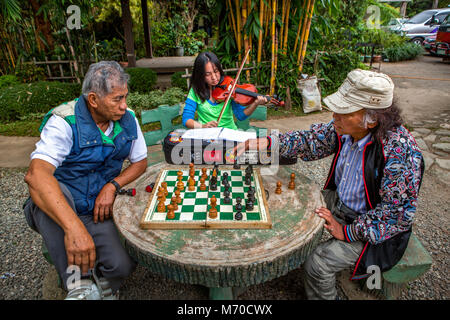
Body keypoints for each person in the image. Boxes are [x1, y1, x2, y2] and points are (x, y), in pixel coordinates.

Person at [234, 69, 424, 300]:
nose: (335, 115)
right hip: (341, 202)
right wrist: (267, 141)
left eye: (344, 111)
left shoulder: (400, 152)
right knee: (282, 204)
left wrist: (347, 231)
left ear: (372, 119)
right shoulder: (347, 128)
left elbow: (396, 216)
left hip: (373, 228)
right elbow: (310, 141)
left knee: (318, 264)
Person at [23, 61, 148, 300]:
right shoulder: (64, 121)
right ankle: (78, 286)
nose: (124, 106)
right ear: (93, 99)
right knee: (50, 188)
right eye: (117, 99)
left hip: (95, 209)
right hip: (58, 209)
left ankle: (98, 286)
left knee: (122, 266)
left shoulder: (128, 118)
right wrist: (74, 229)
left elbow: (140, 162)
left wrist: (113, 186)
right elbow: (35, 175)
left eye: (125, 97)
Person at [182, 51, 268, 130]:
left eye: (216, 71)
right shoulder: (196, 91)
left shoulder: (229, 86)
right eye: (208, 74)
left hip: (229, 133)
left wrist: (255, 103)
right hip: (207, 135)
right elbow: (186, 119)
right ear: (200, 75)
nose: (214, 77)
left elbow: (241, 116)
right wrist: (202, 126)